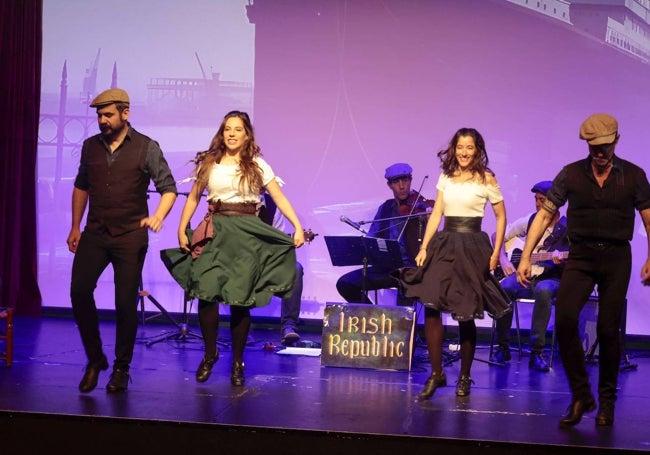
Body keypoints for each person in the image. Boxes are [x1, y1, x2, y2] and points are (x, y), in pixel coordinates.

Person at [516, 113, 650, 428]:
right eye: (594, 148)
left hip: (617, 257)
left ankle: (606, 402)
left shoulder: (633, 175)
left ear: (616, 141)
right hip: (581, 256)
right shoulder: (571, 175)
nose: (600, 154)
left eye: (604, 147)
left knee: (607, 329)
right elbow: (544, 215)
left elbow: (648, 217)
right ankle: (581, 395)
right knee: (563, 319)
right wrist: (527, 255)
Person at [161, 110, 304, 387]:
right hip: (216, 231)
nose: (231, 134)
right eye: (227, 128)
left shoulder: (258, 165)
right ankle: (210, 352)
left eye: (237, 129)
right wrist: (181, 227)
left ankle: (238, 362)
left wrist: (297, 226)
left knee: (240, 301)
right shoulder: (210, 163)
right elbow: (192, 198)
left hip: (247, 233)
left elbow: (278, 196)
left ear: (247, 134)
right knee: (206, 292)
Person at [67, 88, 178, 393]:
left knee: (124, 303)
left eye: (108, 115)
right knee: (79, 291)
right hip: (96, 231)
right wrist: (75, 225)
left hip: (130, 235)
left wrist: (158, 216)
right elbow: (81, 186)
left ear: (124, 114)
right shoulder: (90, 147)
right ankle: (95, 359)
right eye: (99, 115)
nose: (102, 120)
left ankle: (121, 367)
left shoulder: (146, 147)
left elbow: (168, 188)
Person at [393, 128, 511, 400]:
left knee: (466, 312)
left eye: (469, 147)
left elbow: (501, 215)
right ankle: (437, 374)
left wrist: (496, 253)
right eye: (460, 147)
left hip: (473, 246)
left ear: (477, 149)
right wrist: (424, 247)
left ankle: (465, 376)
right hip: (445, 244)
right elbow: (437, 213)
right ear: (454, 149)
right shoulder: (446, 176)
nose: (464, 152)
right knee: (432, 306)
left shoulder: (487, 178)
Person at [490, 180, 569, 372]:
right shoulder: (531, 220)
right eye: (536, 199)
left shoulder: (568, 227)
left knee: (543, 290)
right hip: (526, 276)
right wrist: (505, 261)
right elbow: (496, 236)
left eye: (542, 200)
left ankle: (536, 352)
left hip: (552, 277)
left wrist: (563, 259)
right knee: (504, 287)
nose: (538, 204)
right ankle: (503, 347)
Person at [336, 163, 433, 304]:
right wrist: (367, 247)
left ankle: (402, 325)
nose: (401, 186)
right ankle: (371, 319)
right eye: (396, 182)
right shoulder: (385, 208)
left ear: (410, 180)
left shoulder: (422, 208)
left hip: (411, 268)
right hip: (387, 268)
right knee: (345, 284)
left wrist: (430, 218)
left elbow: (433, 241)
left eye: (405, 180)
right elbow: (372, 237)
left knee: (406, 289)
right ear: (389, 185)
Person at [259, 185, 304, 345]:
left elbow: (276, 239)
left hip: (263, 261)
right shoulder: (236, 200)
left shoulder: (272, 205)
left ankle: (289, 326)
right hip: (239, 259)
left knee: (296, 269)